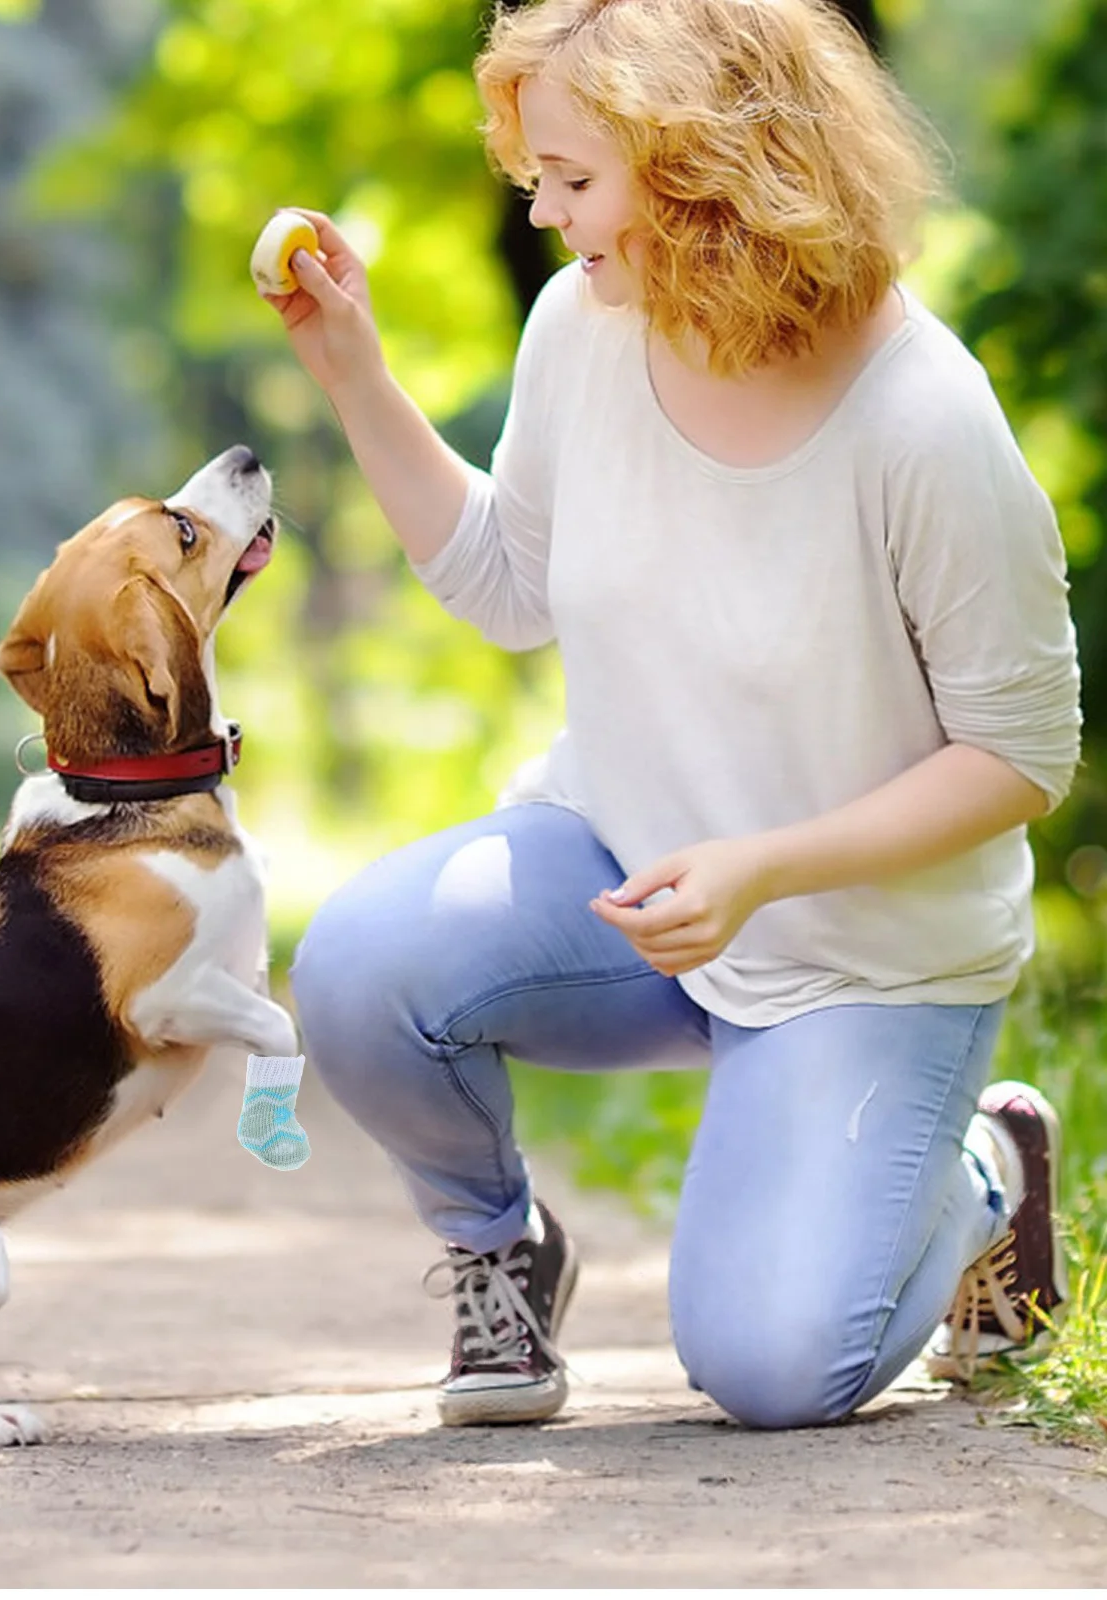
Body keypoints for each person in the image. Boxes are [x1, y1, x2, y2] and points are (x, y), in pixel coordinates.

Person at [266, 0, 1083, 1429]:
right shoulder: (582, 327)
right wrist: (355, 373)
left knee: (772, 1372)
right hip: (626, 872)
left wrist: (766, 868)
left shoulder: (925, 421)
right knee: (358, 970)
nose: (545, 214)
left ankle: (986, 1175)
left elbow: (1022, 758)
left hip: (861, 951)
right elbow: (508, 584)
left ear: (709, 169)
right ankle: (498, 1259)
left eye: (575, 180)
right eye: (536, 179)